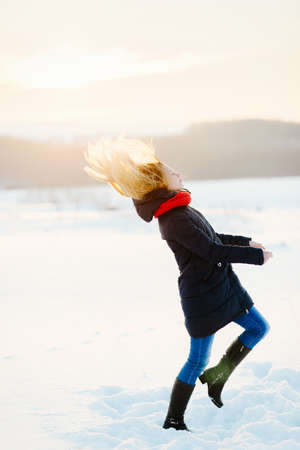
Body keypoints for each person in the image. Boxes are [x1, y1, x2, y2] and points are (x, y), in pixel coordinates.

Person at [83, 136, 273, 432]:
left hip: (220, 286)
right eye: (173, 174)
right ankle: (174, 420)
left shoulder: (181, 209)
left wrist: (247, 242)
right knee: (197, 360)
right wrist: (255, 257)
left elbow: (213, 239)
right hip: (203, 297)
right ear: (161, 185)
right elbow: (211, 251)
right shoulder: (175, 219)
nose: (179, 174)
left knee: (258, 328)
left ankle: (219, 375)